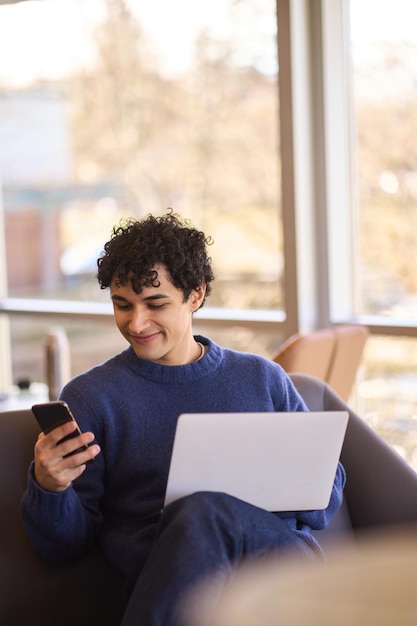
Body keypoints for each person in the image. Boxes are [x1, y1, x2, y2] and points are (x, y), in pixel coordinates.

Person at [21, 210, 346, 626]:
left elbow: (323, 509)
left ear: (195, 295)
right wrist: (50, 489)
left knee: (203, 510)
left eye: (155, 304)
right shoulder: (92, 398)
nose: (136, 323)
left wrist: (314, 468)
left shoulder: (261, 378)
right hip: (178, 590)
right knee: (196, 516)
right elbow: (63, 548)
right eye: (123, 305)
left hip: (280, 573)